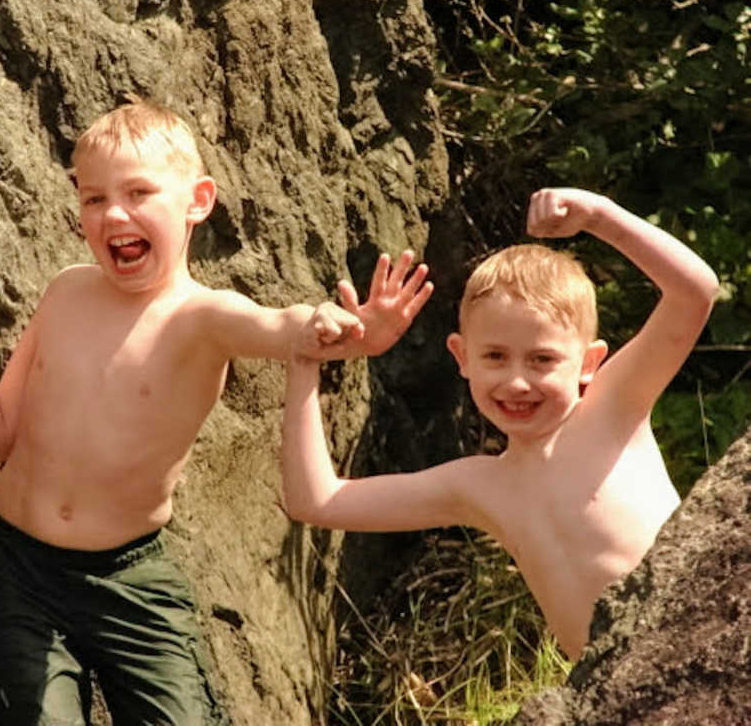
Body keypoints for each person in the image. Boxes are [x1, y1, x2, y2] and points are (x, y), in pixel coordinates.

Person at [0, 98, 429, 726]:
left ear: (198, 200)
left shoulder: (200, 318)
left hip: (132, 581)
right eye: (93, 199)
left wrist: (339, 328)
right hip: (18, 569)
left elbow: (279, 326)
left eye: (138, 192)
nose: (113, 213)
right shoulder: (67, 292)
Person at [281, 186, 720, 660]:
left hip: (699, 642)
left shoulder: (613, 411)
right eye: (495, 356)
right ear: (461, 357)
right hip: (616, 693)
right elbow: (317, 501)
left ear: (589, 362)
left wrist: (598, 216)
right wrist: (306, 362)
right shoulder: (480, 486)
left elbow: (694, 293)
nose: (516, 381)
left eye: (542, 359)